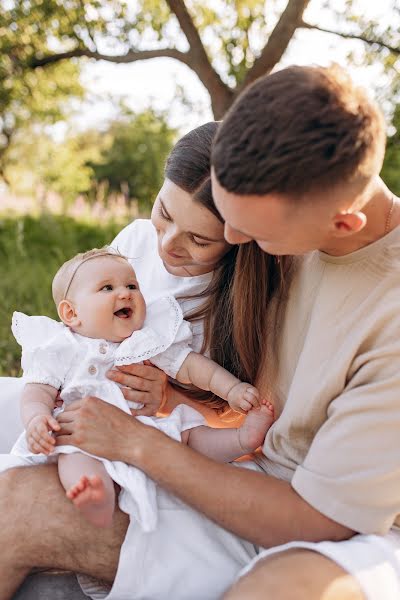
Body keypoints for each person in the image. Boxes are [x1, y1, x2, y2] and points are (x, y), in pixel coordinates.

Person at [2, 61, 398, 600]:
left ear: (343, 222)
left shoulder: (386, 313)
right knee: (17, 477)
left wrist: (139, 444)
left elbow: (321, 518)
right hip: (242, 462)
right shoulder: (285, 230)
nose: (232, 238)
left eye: (250, 230)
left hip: (322, 520)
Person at [6, 247, 272, 529]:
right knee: (72, 456)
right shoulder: (62, 347)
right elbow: (37, 391)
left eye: (132, 285)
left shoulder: (146, 341)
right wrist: (37, 418)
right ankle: (96, 496)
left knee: (190, 438)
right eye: (107, 287)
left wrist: (231, 390)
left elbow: (194, 367)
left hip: (142, 430)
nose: (125, 293)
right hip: (84, 431)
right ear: (71, 313)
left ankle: (241, 439)